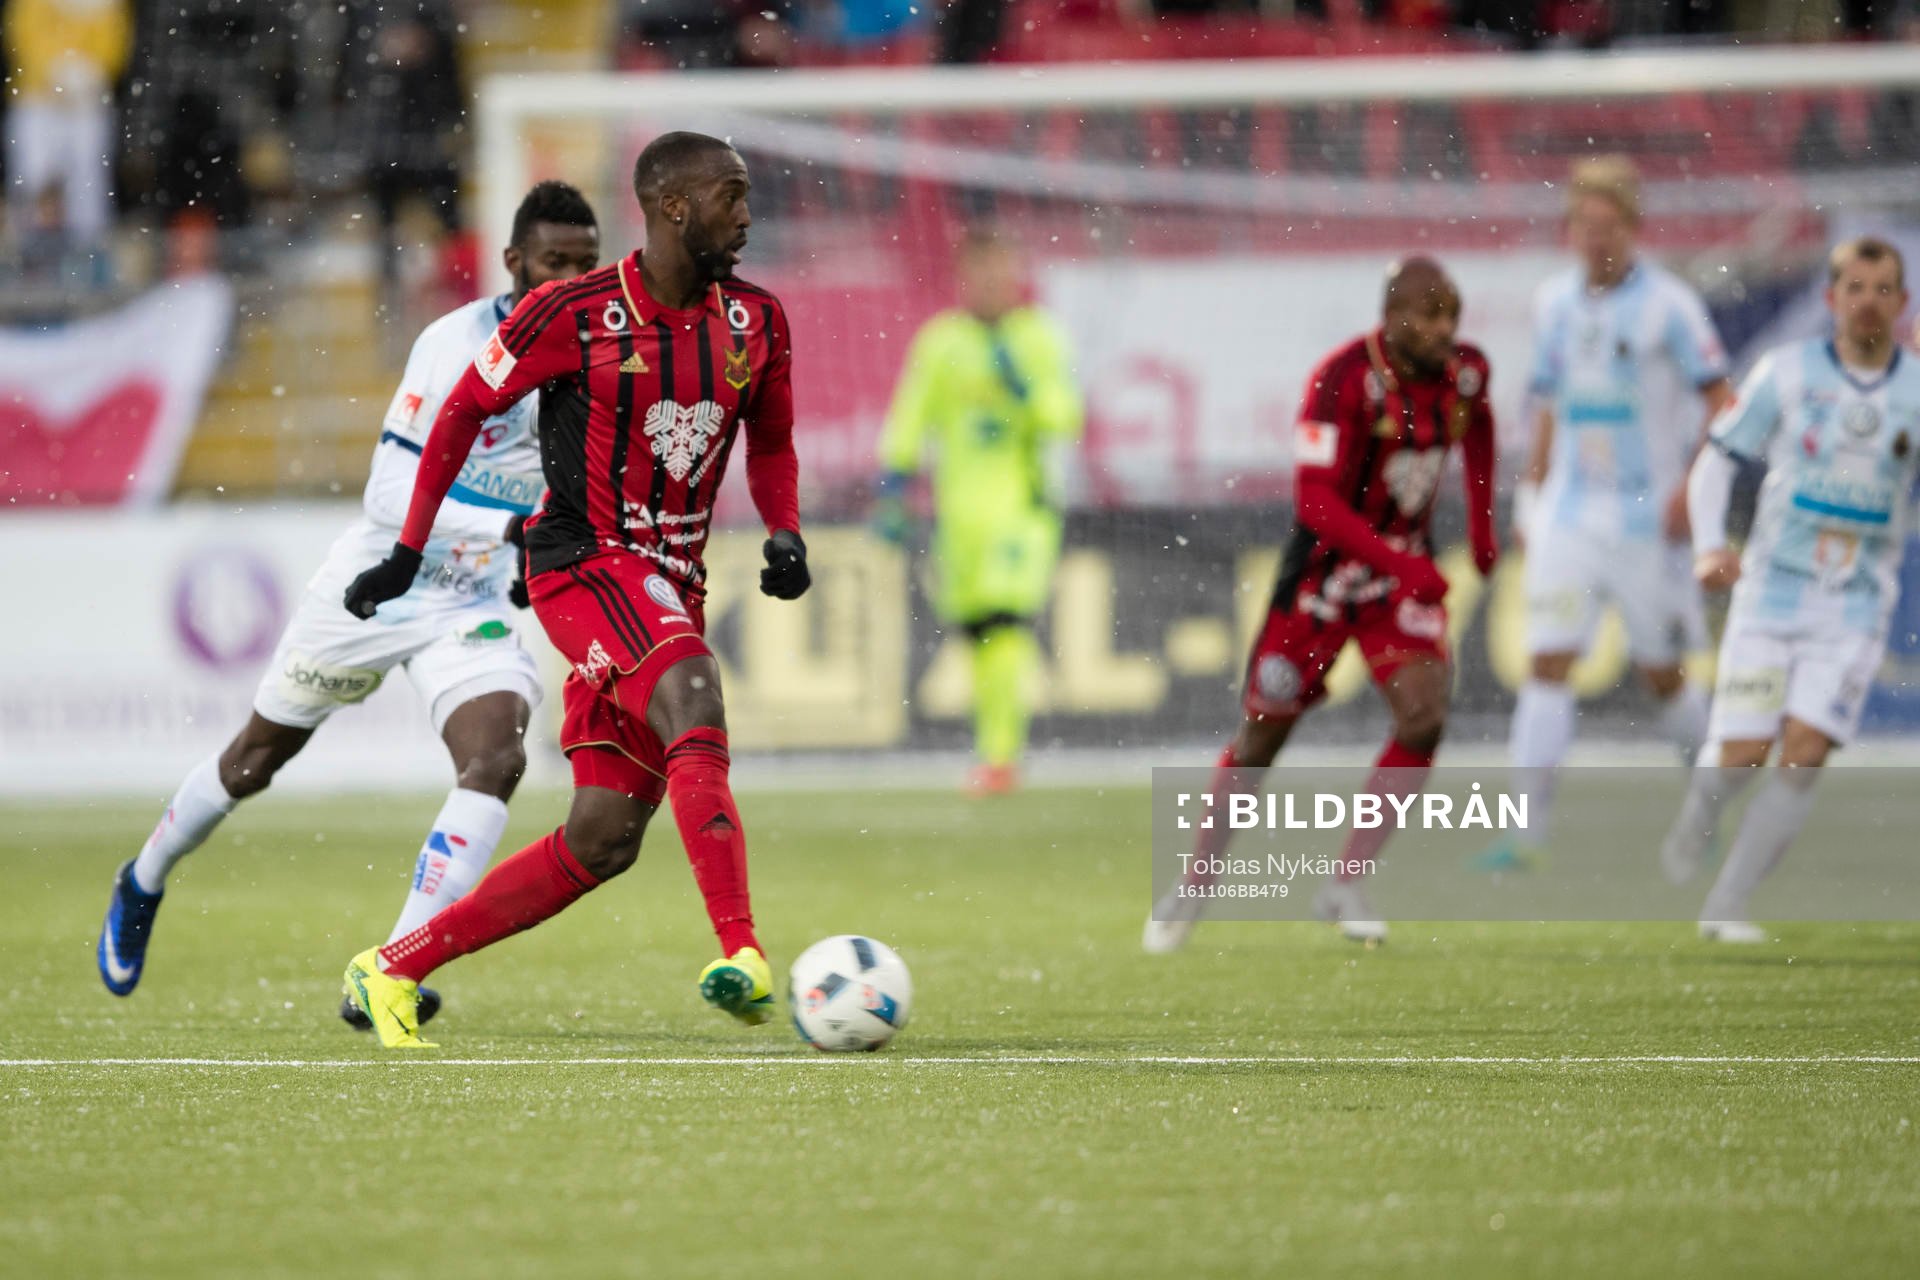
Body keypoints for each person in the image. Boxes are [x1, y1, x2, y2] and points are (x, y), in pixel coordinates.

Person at [338, 132, 809, 1049]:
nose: (746, 216)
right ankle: (744, 952)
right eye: (731, 196)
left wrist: (784, 528)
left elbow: (775, 441)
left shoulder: (758, 322)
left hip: (671, 580)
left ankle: (392, 966)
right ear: (674, 206)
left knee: (603, 839)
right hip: (581, 561)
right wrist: (407, 548)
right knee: (695, 696)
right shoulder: (575, 312)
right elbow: (462, 411)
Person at [95, 182, 602, 1023]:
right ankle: (143, 877)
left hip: (468, 603)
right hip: (376, 585)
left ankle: (394, 967)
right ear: (512, 262)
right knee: (254, 762)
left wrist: (539, 548)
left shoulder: (592, 361)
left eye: (586, 266)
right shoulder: (454, 344)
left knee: (498, 760)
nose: (568, 283)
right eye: (554, 264)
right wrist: (516, 524)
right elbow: (392, 487)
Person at [1143, 257, 1497, 952]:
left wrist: (1481, 527)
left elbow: (1477, 426)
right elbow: (1314, 501)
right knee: (1261, 741)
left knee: (1423, 720)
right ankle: (1194, 883)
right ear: (1392, 317)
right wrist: (1403, 560)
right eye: (1430, 316)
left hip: (1396, 585)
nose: (1444, 330)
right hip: (1321, 583)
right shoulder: (1340, 381)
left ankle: (1345, 882)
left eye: (1451, 315)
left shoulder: (1466, 371)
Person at [1478, 155, 1733, 872]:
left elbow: (1725, 405)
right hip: (1569, 514)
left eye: (1607, 226)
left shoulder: (1671, 307)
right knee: (1547, 661)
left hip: (1648, 520)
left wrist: (1693, 484)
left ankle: (1710, 801)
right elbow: (1550, 402)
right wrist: (1532, 495)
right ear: (1570, 229)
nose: (1595, 239)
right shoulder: (1554, 302)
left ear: (1634, 228)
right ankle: (1523, 835)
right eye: (1583, 226)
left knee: (1664, 676)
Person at [1661, 237, 1920, 941]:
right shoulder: (1788, 371)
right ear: (1832, 299)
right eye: (1856, 287)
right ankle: (1701, 811)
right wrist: (1711, 545)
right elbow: (1716, 462)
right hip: (1772, 594)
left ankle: (1726, 906)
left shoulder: (1915, 392)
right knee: (1742, 755)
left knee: (1805, 752)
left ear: (1901, 303)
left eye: (1884, 288)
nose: (1869, 300)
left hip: (1858, 605)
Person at [873, 228, 1083, 794]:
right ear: (964, 279)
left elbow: (1065, 418)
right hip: (959, 513)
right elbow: (910, 416)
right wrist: (893, 486)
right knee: (977, 632)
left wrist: (1026, 393)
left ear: (1016, 278)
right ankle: (994, 750)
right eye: (980, 276)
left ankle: (1000, 754)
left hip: (1022, 509)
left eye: (1001, 275)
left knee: (1004, 622)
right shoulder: (942, 342)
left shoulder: (1039, 338)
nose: (991, 287)